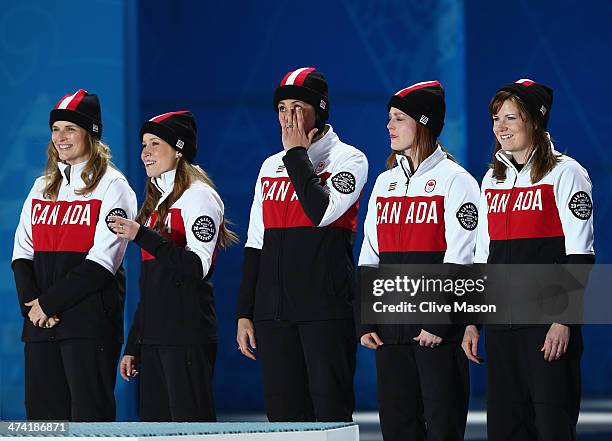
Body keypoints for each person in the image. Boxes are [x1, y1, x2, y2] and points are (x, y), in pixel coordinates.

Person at [462, 79, 595, 441]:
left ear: (535, 121)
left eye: (510, 118)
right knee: (505, 428)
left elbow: (581, 255)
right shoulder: (492, 179)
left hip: (546, 329)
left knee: (551, 427)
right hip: (502, 328)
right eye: (495, 119)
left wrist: (563, 321)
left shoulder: (567, 174)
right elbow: (482, 256)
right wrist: (473, 321)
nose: (499, 127)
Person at [235, 67, 368, 422]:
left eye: (297, 107)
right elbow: (256, 241)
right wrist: (246, 311)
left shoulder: (349, 159)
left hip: (325, 312)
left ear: (319, 110)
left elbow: (322, 211)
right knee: (283, 420)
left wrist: (296, 155)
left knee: (329, 417)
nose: (288, 117)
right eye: (282, 108)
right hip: (274, 313)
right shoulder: (269, 166)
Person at [358, 81, 478, 441]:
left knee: (443, 428)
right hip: (390, 335)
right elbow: (369, 254)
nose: (389, 127)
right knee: (397, 429)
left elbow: (463, 259)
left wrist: (438, 324)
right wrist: (366, 320)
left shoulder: (456, 181)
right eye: (388, 119)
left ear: (423, 123)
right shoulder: (384, 183)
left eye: (398, 118)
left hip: (437, 337)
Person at [11, 89, 137, 421]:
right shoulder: (41, 186)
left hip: (88, 325)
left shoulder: (114, 186)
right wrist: (33, 309)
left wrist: (47, 305)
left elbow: (101, 263)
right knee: (43, 421)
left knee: (89, 421)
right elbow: (22, 253)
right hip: (41, 325)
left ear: (91, 134)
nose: (61, 137)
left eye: (71, 129)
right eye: (56, 129)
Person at [111, 110, 237, 422]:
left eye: (155, 143)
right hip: (155, 341)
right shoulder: (155, 206)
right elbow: (152, 287)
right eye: (143, 145)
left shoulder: (199, 197)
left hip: (186, 337)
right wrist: (134, 345)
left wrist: (142, 235)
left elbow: (196, 267)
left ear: (178, 149)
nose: (145, 153)